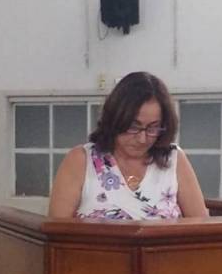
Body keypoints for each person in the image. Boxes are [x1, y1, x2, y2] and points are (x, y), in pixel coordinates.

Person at [48, 72, 209, 220]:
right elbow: (56, 231)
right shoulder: (81, 160)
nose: (142, 139)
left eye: (153, 128)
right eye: (133, 126)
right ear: (114, 120)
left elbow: (201, 227)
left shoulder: (174, 159)